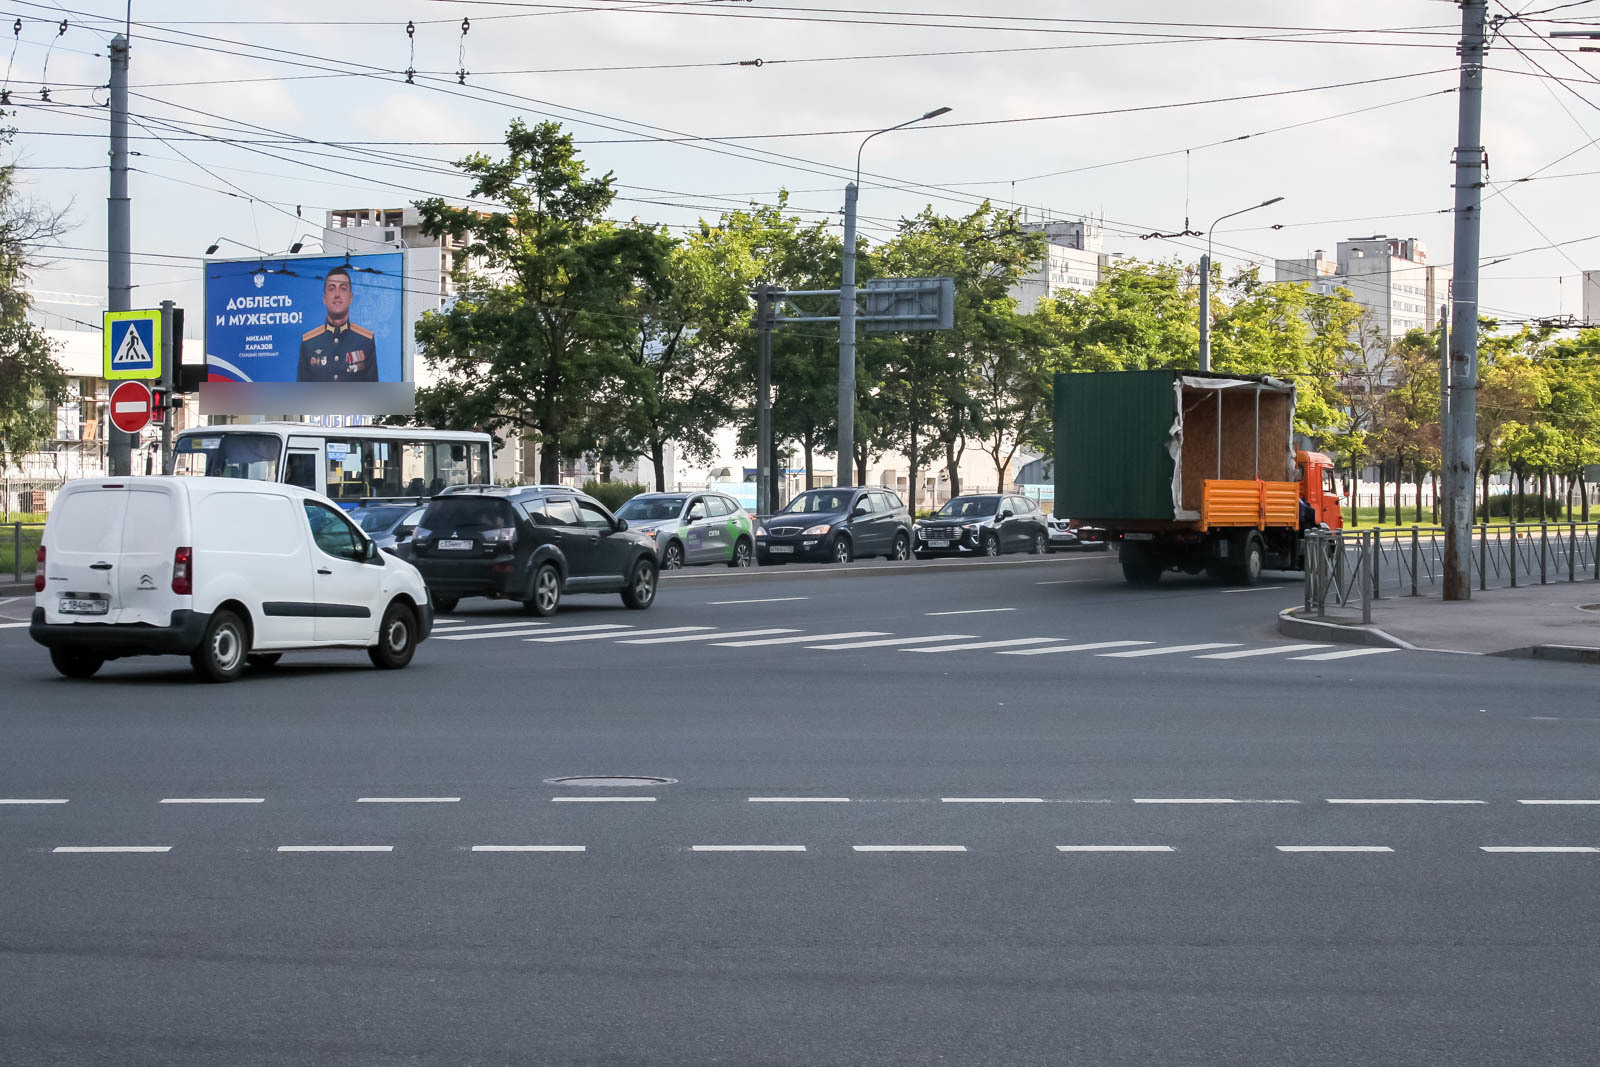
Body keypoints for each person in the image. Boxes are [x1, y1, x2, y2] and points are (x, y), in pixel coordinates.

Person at [298, 266, 378, 382]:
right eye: (331, 288)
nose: (337, 294)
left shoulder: (365, 341)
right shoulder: (309, 343)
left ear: (351, 298)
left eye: (343, 288)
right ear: (324, 299)